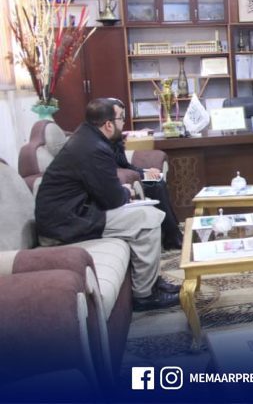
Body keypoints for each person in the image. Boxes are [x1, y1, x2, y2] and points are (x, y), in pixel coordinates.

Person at [35, 98, 179, 311]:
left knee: (146, 212)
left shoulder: (87, 139)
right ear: (109, 124)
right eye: (121, 119)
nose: (123, 123)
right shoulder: (93, 147)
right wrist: (126, 191)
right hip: (66, 224)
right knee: (148, 219)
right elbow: (112, 199)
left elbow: (105, 189)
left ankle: (152, 282)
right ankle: (145, 295)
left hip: (75, 213)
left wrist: (122, 191)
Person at [109, 99, 183, 250]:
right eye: (120, 117)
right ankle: (173, 235)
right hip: (119, 183)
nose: (123, 122)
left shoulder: (116, 139)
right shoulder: (100, 144)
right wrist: (142, 175)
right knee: (156, 185)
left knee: (157, 180)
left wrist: (145, 171)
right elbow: (114, 169)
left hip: (128, 176)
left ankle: (172, 233)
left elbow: (125, 164)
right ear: (108, 121)